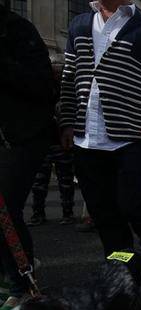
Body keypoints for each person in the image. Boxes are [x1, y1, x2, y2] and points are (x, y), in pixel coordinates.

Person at [59, 1, 141, 267]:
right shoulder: (79, 26)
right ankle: (124, 269)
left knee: (133, 205)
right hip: (86, 141)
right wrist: (67, 121)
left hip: (132, 139)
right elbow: (69, 78)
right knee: (105, 218)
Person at [0, 4, 55, 310]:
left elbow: (44, 87)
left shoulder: (18, 30)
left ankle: (23, 283)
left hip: (24, 134)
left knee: (5, 208)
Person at [28, 62, 75, 227]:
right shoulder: (42, 90)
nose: (56, 74)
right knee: (40, 182)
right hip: (45, 142)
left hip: (61, 142)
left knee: (65, 180)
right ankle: (38, 213)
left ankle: (67, 212)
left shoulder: (66, 92)